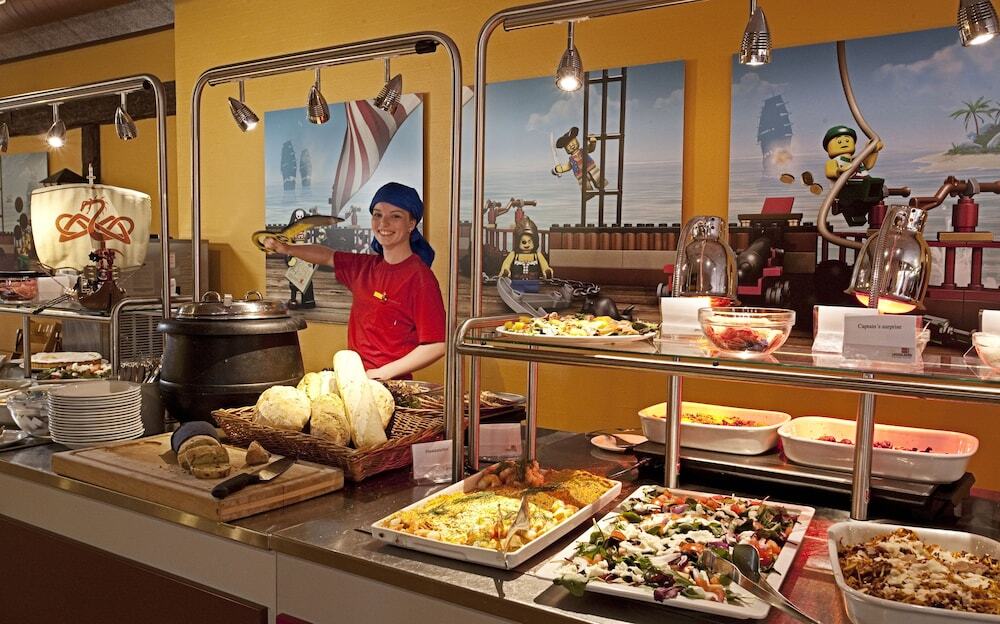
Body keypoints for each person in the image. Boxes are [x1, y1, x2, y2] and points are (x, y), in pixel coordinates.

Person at [263, 182, 446, 380]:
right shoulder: (364, 267)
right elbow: (327, 256)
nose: (383, 223)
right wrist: (286, 249)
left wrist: (383, 373)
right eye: (377, 214)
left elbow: (437, 345)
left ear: (411, 223)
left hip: (392, 386)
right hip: (355, 380)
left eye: (395, 216)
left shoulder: (420, 278)